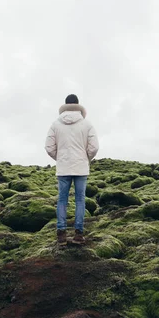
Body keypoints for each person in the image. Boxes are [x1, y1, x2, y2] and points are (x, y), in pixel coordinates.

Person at [45, 94, 99, 245]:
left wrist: (60, 158)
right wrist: (85, 158)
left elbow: (49, 147)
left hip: (63, 168)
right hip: (81, 168)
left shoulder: (55, 124)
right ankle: (79, 234)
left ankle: (61, 235)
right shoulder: (87, 124)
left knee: (62, 200)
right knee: (80, 200)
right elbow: (94, 147)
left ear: (65, 105)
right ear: (78, 105)